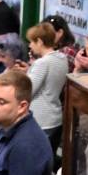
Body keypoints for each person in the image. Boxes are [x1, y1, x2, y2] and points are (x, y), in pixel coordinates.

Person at [24, 22, 69, 151]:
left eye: (31, 42)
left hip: (41, 120)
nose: (30, 46)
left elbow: (28, 91)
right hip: (55, 118)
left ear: (39, 41)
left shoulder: (42, 63)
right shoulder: (62, 58)